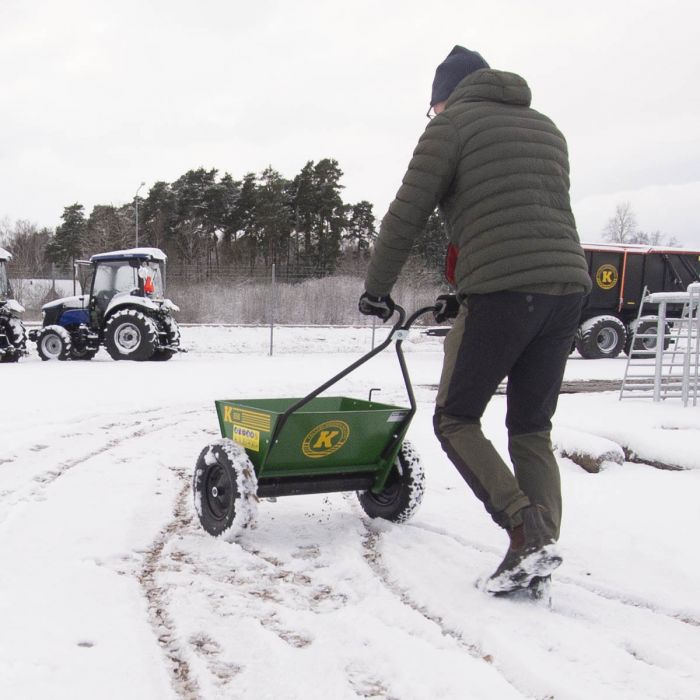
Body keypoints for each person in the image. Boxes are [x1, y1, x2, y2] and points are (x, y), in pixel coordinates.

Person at [358, 45, 592, 595]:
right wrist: (463, 296)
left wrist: (375, 289)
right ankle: (539, 549)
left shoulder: (452, 127)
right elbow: (517, 222)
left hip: (507, 293)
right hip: (566, 291)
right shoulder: (546, 128)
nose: (432, 116)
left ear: (445, 97)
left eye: (431, 107)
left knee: (455, 419)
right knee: (531, 427)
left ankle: (522, 529)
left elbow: (404, 216)